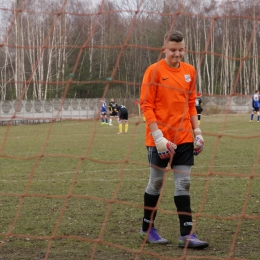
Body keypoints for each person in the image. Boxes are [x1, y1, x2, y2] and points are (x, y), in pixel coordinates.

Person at [139, 30, 208, 249]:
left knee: (184, 183)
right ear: (164, 49)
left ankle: (186, 234)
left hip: (185, 136)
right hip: (159, 139)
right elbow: (146, 106)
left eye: (180, 50)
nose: (177, 54)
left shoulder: (190, 71)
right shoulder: (154, 71)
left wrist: (198, 133)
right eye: (173, 50)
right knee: (157, 183)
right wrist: (158, 137)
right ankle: (147, 229)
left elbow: (191, 105)